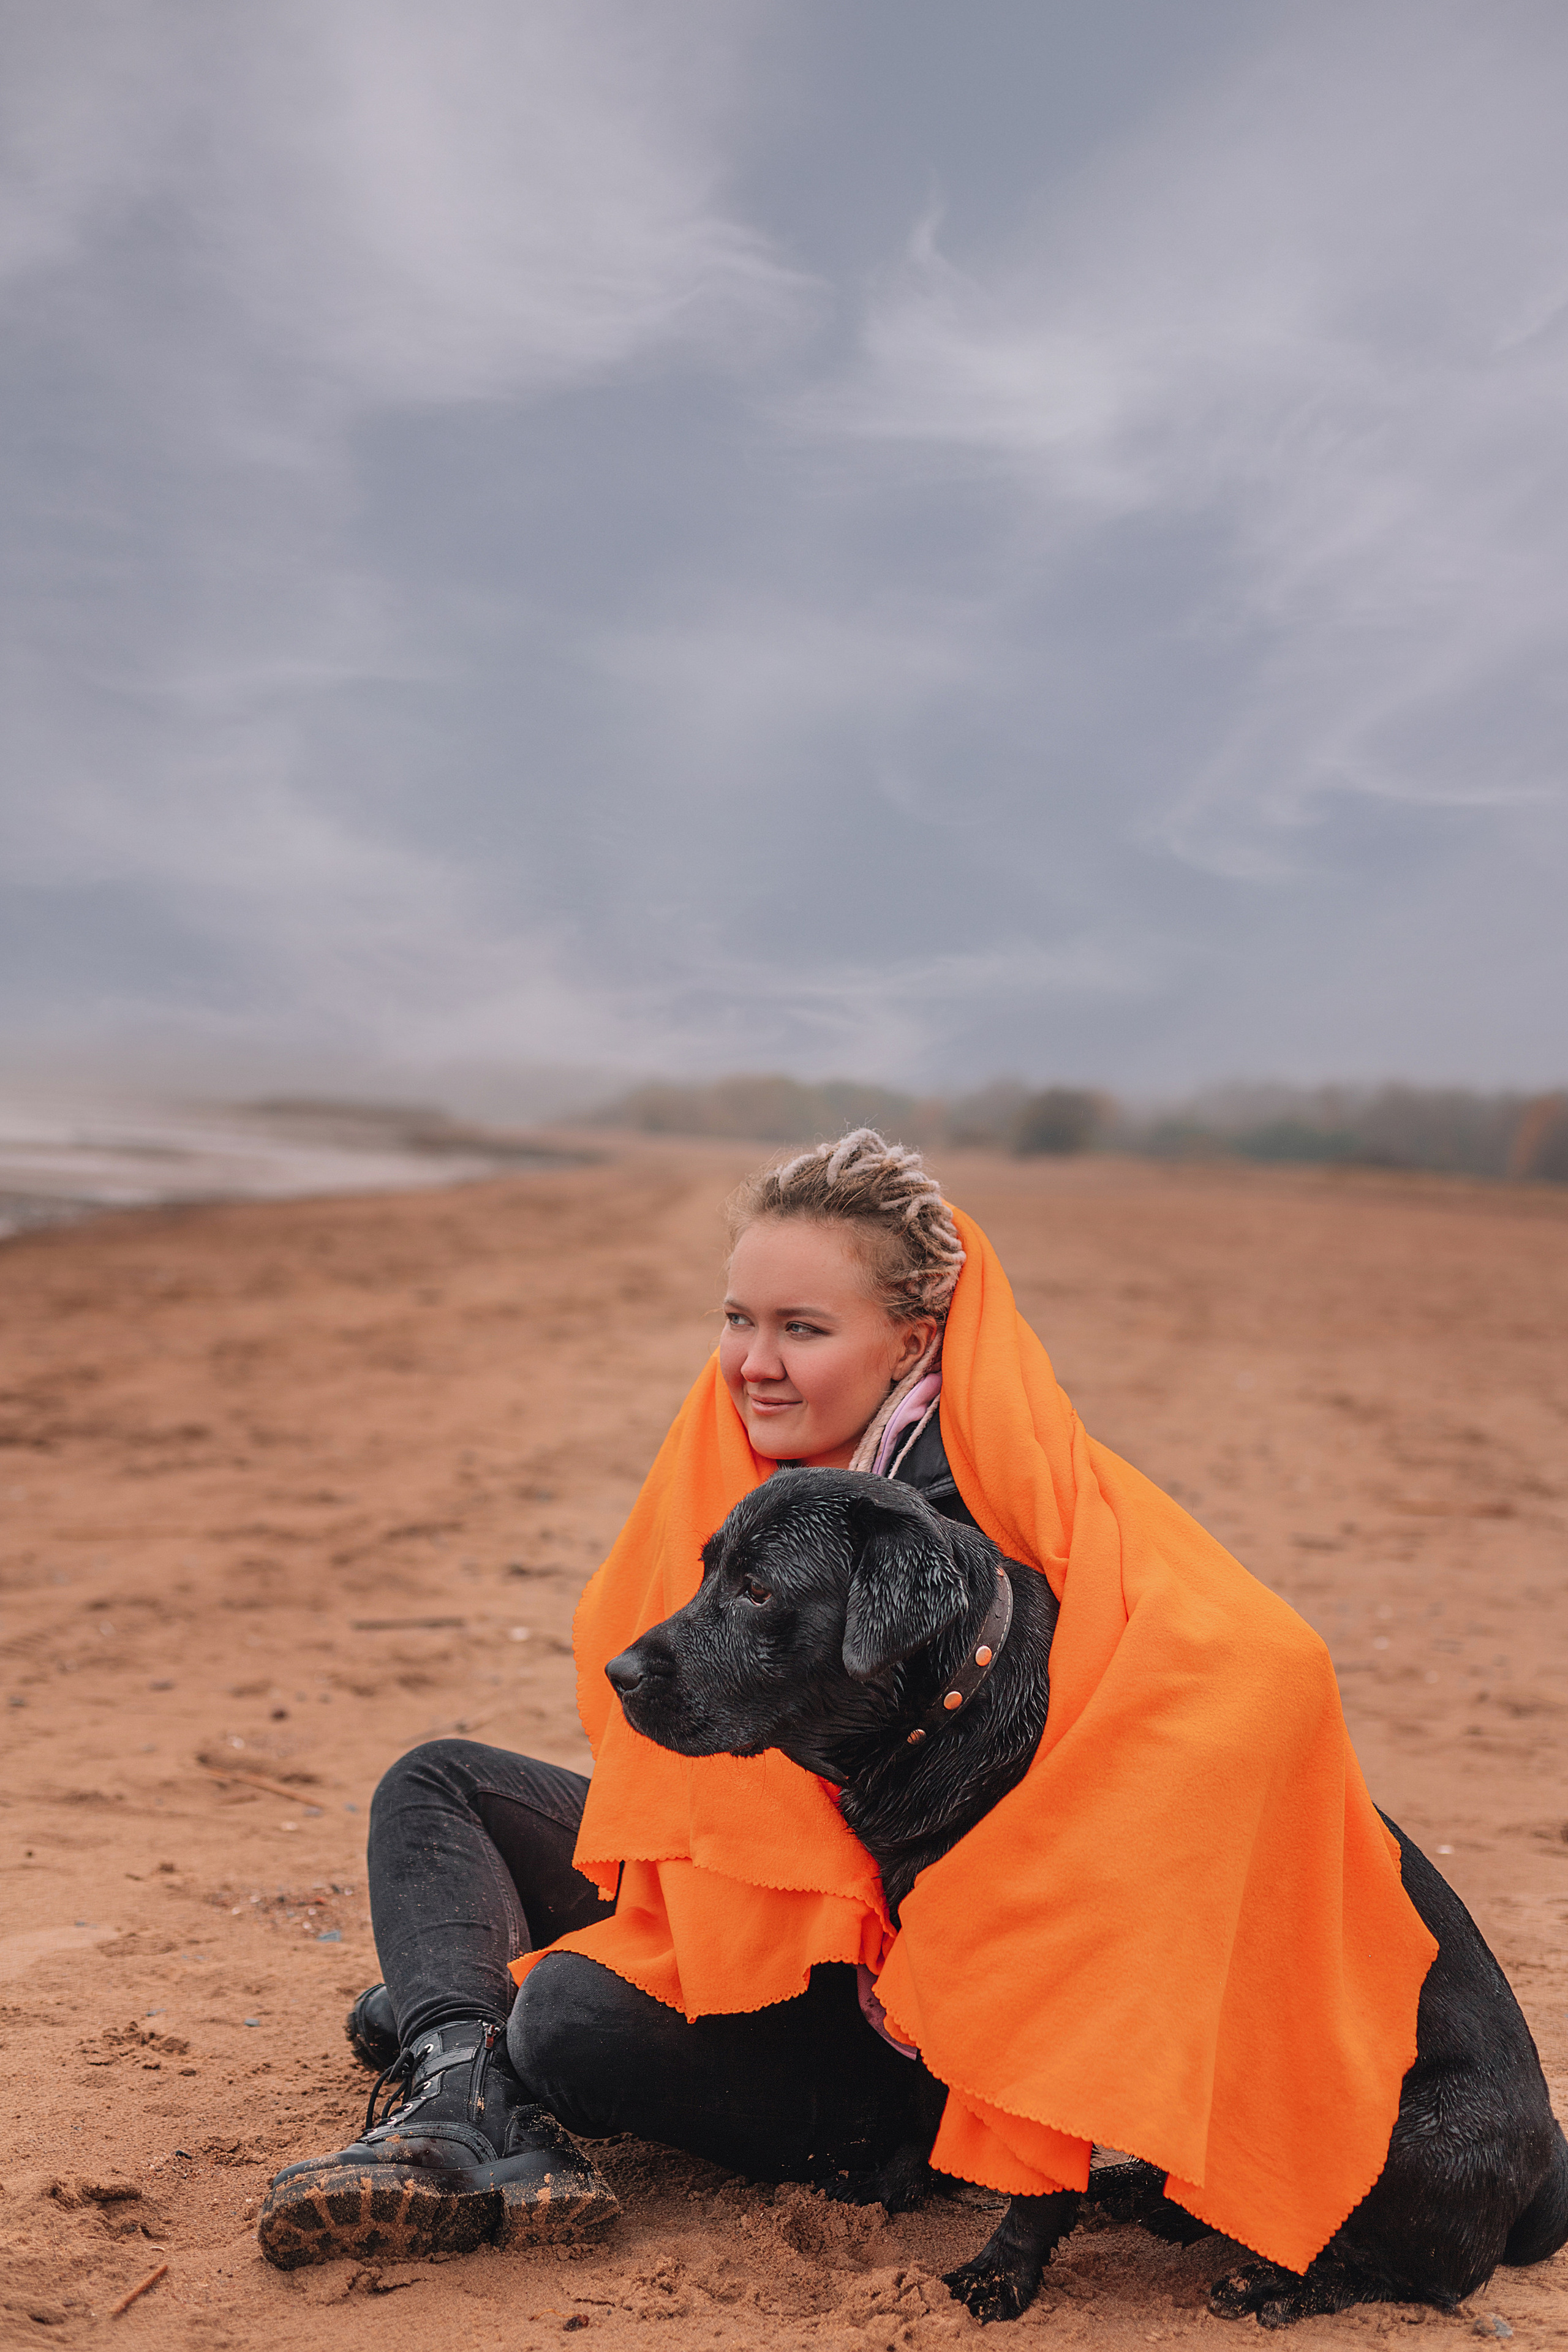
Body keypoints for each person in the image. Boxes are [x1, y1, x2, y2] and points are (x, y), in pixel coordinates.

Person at [258, 1129, 1433, 2276]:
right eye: (738, 1319)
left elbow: (1260, 1678)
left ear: (914, 1342)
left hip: (902, 2008)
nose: (752, 1364)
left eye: (802, 1329)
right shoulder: (754, 1471)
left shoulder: (963, 1532)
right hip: (764, 1877)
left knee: (566, 2019)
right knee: (440, 1781)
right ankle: (462, 2084)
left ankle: (582, 2056)